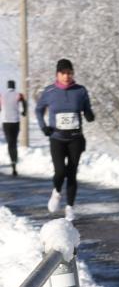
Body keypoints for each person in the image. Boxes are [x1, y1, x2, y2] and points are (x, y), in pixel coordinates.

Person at [35, 59, 94, 220]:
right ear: (57, 74)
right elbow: (39, 109)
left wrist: (89, 114)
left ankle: (70, 207)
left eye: (69, 73)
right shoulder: (49, 91)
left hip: (76, 138)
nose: (67, 76)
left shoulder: (80, 91)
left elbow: (87, 108)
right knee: (60, 171)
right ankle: (56, 191)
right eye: (63, 73)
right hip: (57, 138)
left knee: (72, 172)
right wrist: (43, 126)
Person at [1, 79, 27, 176]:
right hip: (15, 122)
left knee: (10, 143)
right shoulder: (18, 94)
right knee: (14, 143)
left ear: (8, 86)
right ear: (14, 86)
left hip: (6, 122)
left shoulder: (2, 95)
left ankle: (13, 164)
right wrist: (24, 112)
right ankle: (14, 163)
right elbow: (24, 102)